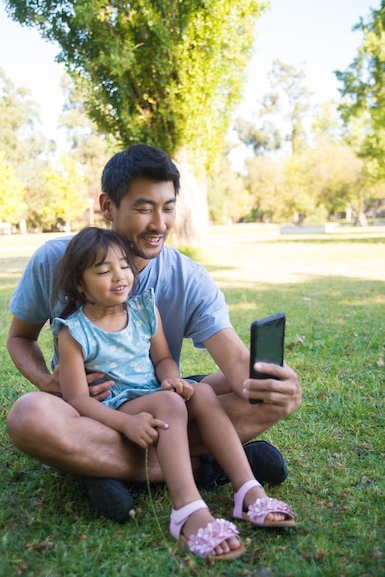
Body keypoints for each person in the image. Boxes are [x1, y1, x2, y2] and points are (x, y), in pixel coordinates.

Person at [6, 143, 302, 522]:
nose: (159, 223)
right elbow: (20, 338)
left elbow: (235, 362)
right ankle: (204, 467)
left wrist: (277, 387)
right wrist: (48, 382)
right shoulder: (55, 260)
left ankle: (106, 469)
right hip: (90, 407)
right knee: (29, 416)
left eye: (168, 208)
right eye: (144, 208)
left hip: (160, 394)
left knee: (246, 393)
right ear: (108, 206)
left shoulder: (189, 278)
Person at [51, 226, 295, 560]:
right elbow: (77, 399)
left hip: (155, 394)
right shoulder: (74, 332)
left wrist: (173, 379)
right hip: (116, 409)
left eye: (124, 265)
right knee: (170, 401)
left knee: (202, 394)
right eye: (104, 271)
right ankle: (187, 509)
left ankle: (247, 489)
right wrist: (125, 425)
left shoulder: (143, 311)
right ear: (80, 283)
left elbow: (163, 359)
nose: (119, 276)